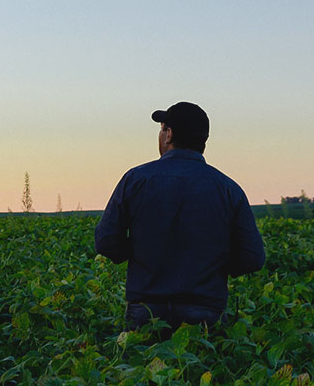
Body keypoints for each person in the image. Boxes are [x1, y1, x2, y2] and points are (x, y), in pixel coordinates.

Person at [94, 102, 265, 335]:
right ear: (203, 140)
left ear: (169, 134)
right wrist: (214, 266)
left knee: (143, 369)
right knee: (196, 369)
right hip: (205, 312)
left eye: (162, 128)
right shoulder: (228, 189)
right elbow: (253, 257)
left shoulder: (135, 180)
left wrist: (139, 255)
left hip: (147, 311)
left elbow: (106, 242)